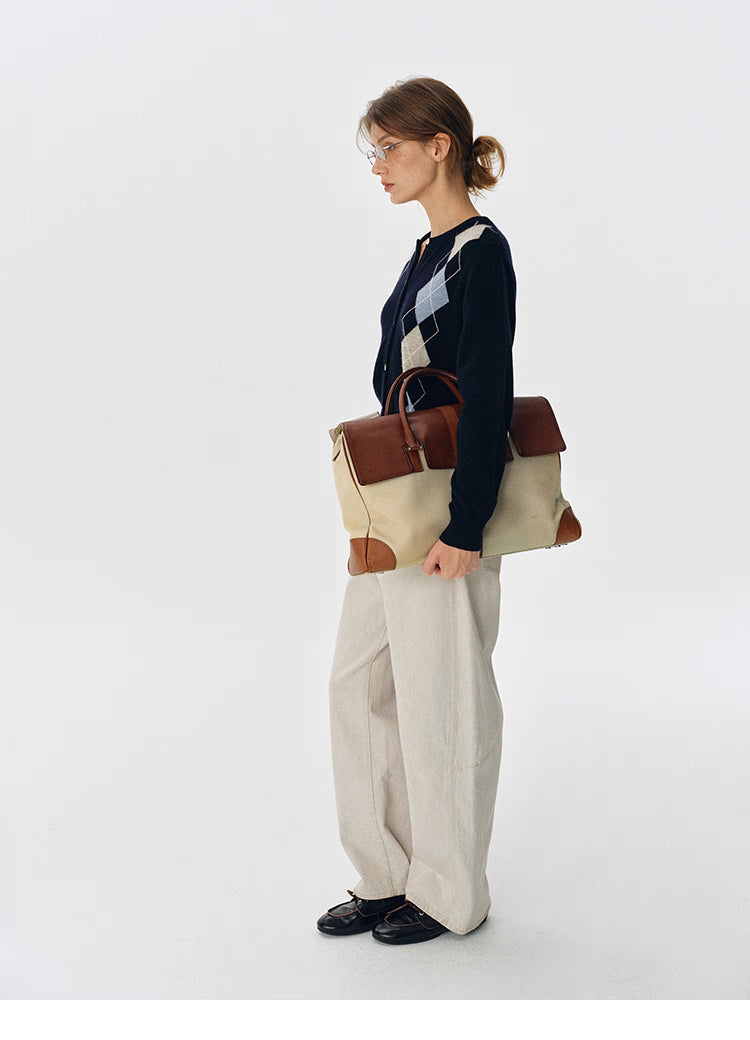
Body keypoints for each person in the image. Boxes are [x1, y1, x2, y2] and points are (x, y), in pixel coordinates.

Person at [317, 76, 516, 945]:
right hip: (395, 511)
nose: (379, 168)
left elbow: (489, 394)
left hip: (442, 514)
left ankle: (448, 891)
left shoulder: (482, 251)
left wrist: (466, 526)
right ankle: (387, 871)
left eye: (389, 148)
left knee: (442, 701)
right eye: (374, 152)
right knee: (358, 685)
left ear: (440, 145)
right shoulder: (423, 256)